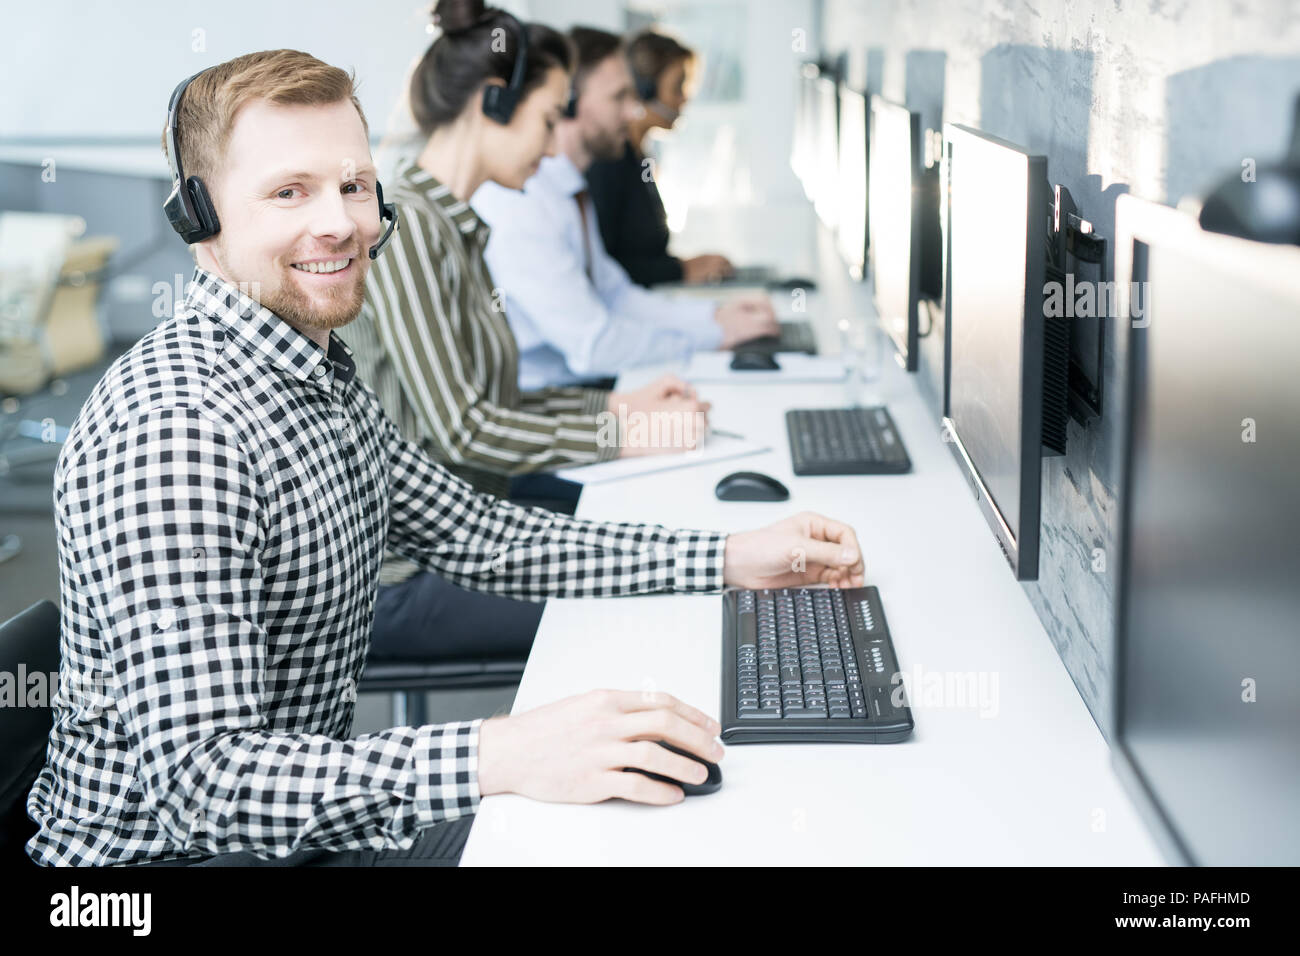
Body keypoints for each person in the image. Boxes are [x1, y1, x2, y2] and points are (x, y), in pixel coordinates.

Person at [25, 47, 868, 868]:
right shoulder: (179, 431)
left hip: (305, 841)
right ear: (198, 220)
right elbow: (204, 786)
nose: (340, 221)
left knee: (634, 826)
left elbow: (486, 535)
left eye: (354, 186)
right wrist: (499, 752)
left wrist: (729, 557)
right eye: (289, 192)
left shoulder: (314, 375)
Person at [347, 4, 711, 667]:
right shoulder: (407, 228)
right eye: (546, 121)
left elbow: (502, 403)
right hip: (412, 572)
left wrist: (620, 410)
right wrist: (626, 431)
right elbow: (466, 430)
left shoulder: (458, 224)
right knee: (648, 591)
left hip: (478, 526)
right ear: (494, 103)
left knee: (660, 532)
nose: (551, 147)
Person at [471, 26, 778, 392]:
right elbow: (593, 346)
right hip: (552, 398)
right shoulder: (523, 203)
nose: (634, 111)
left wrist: (713, 317)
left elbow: (616, 296)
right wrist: (710, 338)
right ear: (568, 102)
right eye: (619, 97)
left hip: (589, 381)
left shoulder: (570, 192)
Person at [585, 29, 733, 287]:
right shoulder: (609, 165)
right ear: (643, 90)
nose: (684, 98)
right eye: (677, 87)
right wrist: (680, 270)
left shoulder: (639, 158)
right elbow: (605, 269)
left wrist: (685, 267)